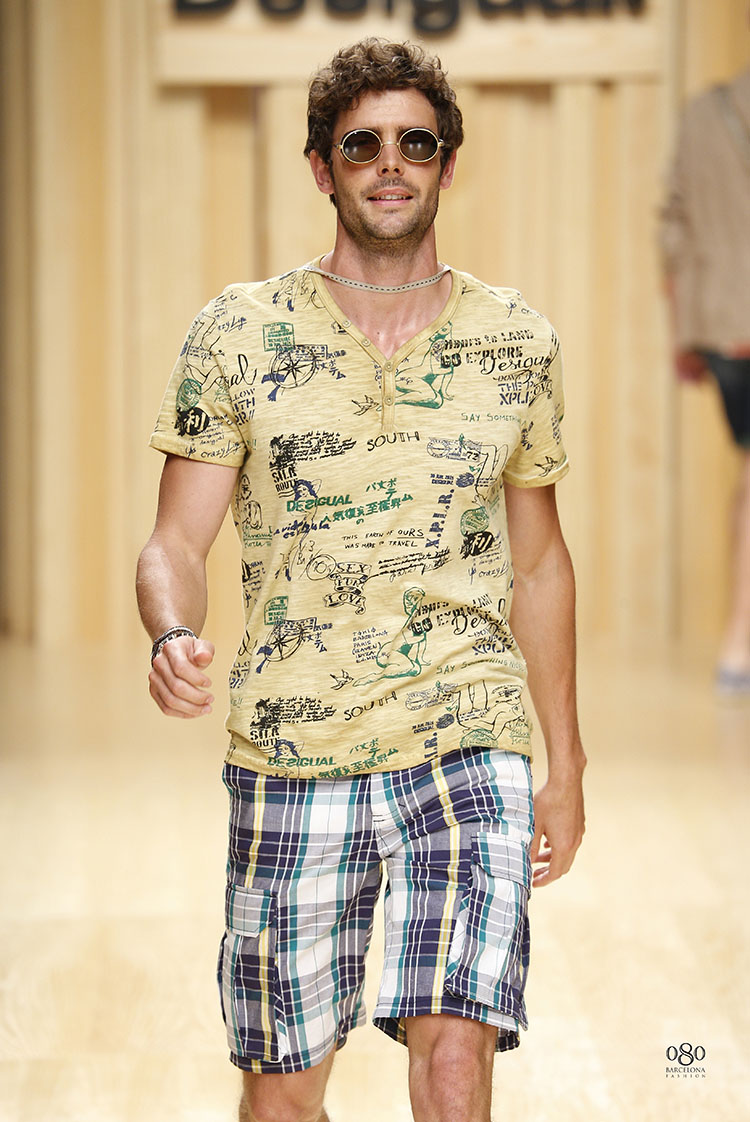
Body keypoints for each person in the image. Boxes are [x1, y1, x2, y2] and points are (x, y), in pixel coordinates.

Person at [136, 38, 586, 1122]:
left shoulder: (516, 341)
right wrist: (170, 631)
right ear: (321, 167)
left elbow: (538, 562)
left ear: (447, 164)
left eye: (415, 143)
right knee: (284, 1092)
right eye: (362, 145)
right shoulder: (240, 334)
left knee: (455, 1055)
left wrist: (564, 758)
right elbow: (175, 543)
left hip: (467, 730)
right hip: (295, 746)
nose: (391, 164)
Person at [660, 62, 750, 694]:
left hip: (723, 324)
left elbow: (674, 227)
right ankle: (739, 640)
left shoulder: (704, 113)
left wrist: (684, 330)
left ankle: (736, 642)